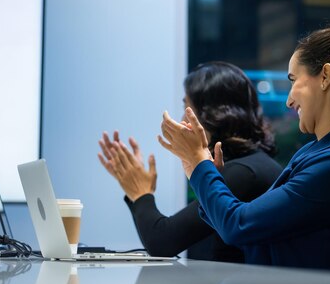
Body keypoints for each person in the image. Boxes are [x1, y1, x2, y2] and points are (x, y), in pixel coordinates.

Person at [158, 19, 330, 270]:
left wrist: (200, 165)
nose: (289, 101)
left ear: (325, 76)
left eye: (293, 80)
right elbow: (243, 227)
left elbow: (238, 226)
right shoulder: (322, 153)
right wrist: (199, 170)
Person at [97, 61, 282, 262]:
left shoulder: (244, 173)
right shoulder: (252, 165)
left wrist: (141, 194)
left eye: (187, 107)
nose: (182, 119)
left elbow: (162, 242)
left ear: (209, 114)